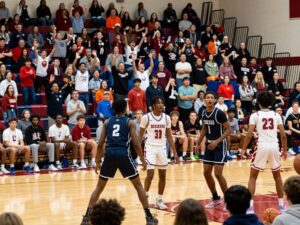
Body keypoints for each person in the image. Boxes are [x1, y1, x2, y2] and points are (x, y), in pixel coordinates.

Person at [80, 99, 158, 225]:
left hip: (109, 154)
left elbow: (100, 143)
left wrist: (98, 161)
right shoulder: (130, 122)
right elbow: (136, 143)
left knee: (99, 188)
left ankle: (86, 218)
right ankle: (149, 218)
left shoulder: (107, 122)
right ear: (124, 108)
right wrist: (143, 161)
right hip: (123, 154)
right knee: (138, 186)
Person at [241, 91, 287, 213]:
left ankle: (250, 207)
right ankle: (282, 205)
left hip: (261, 145)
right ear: (272, 102)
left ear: (258, 102)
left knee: (253, 176)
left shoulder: (255, 115)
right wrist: (285, 150)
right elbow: (283, 135)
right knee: (277, 176)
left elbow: (249, 134)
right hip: (274, 146)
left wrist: (243, 149)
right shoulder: (277, 116)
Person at [139, 96, 178, 209]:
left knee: (163, 175)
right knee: (150, 174)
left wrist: (174, 153)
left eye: (162, 103)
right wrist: (140, 155)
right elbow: (140, 136)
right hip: (150, 147)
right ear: (153, 106)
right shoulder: (146, 117)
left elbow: (169, 136)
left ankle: (159, 199)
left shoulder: (166, 118)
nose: (161, 105)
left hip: (162, 148)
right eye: (158, 103)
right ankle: (145, 195)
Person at [198, 91, 231, 208]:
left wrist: (217, 141)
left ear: (215, 100)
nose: (210, 99)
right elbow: (204, 129)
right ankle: (216, 198)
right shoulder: (202, 112)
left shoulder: (220, 113)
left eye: (212, 98)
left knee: (218, 173)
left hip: (220, 145)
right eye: (208, 98)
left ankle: (228, 201)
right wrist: (198, 143)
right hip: (208, 145)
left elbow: (229, 130)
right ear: (204, 100)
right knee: (206, 173)